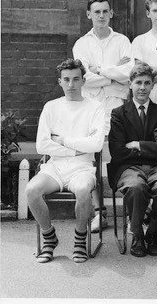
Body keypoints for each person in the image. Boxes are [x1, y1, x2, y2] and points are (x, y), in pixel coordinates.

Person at [25, 58, 105, 263]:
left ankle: (80, 240)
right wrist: (74, 149)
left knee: (82, 190)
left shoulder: (95, 107)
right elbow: (42, 145)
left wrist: (62, 140)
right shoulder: (51, 107)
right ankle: (49, 237)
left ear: (83, 81)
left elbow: (95, 145)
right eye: (66, 79)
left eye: (76, 79)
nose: (71, 85)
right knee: (31, 190)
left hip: (83, 167)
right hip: (55, 167)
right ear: (59, 81)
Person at [73, 0, 133, 231]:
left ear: (111, 13)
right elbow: (84, 78)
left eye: (105, 11)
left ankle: (131, 212)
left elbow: (129, 72)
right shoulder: (81, 44)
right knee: (94, 159)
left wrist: (102, 71)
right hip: (91, 108)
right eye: (96, 12)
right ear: (89, 14)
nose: (101, 15)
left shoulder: (122, 40)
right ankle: (99, 212)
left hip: (117, 107)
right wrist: (113, 75)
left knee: (123, 157)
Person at [107, 63, 157, 257]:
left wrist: (138, 145)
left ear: (152, 85)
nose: (142, 87)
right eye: (138, 82)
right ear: (130, 84)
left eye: (147, 83)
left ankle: (153, 231)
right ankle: (138, 234)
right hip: (128, 168)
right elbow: (118, 152)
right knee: (135, 186)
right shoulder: (118, 114)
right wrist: (156, 147)